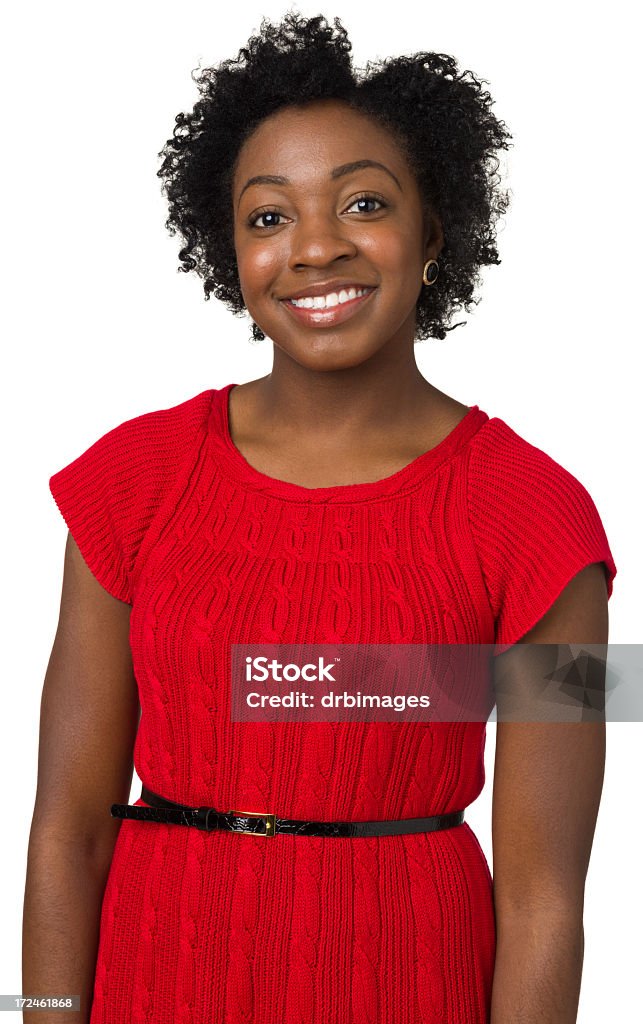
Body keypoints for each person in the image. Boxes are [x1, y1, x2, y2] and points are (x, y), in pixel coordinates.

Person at [23, 11, 617, 1024]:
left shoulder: (543, 522)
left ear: (433, 231)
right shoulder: (130, 482)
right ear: (230, 251)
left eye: (363, 202)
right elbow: (65, 830)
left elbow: (543, 894)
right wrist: (39, 1014)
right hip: (155, 984)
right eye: (268, 217)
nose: (314, 247)